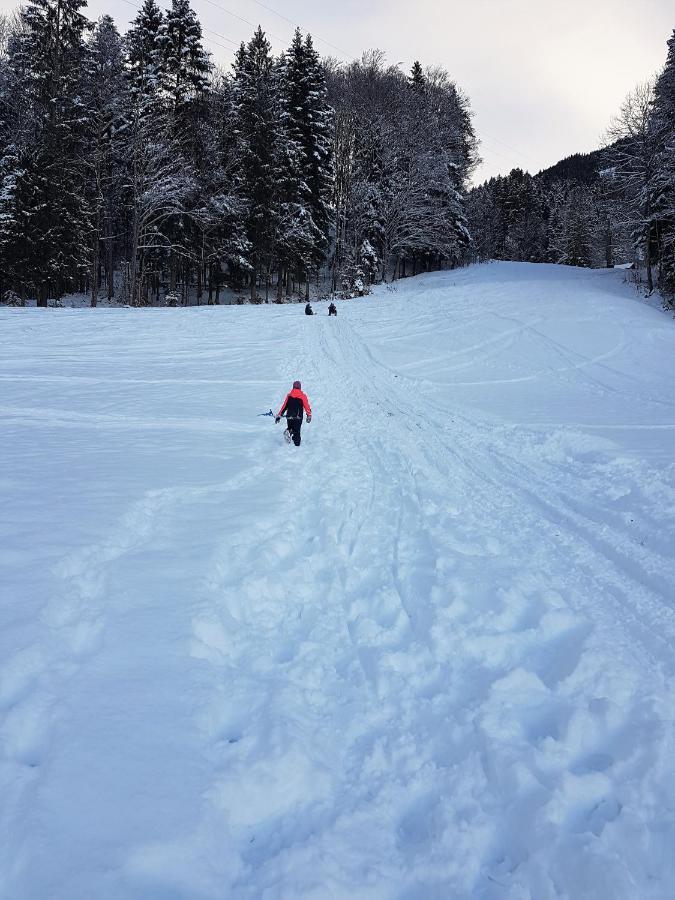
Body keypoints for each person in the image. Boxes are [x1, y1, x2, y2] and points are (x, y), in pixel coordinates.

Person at [276, 380, 312, 446]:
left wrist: (279, 415)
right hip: (298, 417)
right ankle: (297, 446)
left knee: (290, 427)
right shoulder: (302, 396)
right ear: (300, 387)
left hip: (289, 416)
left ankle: (289, 431)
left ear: (293, 387)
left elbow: (284, 406)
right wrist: (309, 415)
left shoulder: (289, 396)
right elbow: (306, 406)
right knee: (297, 431)